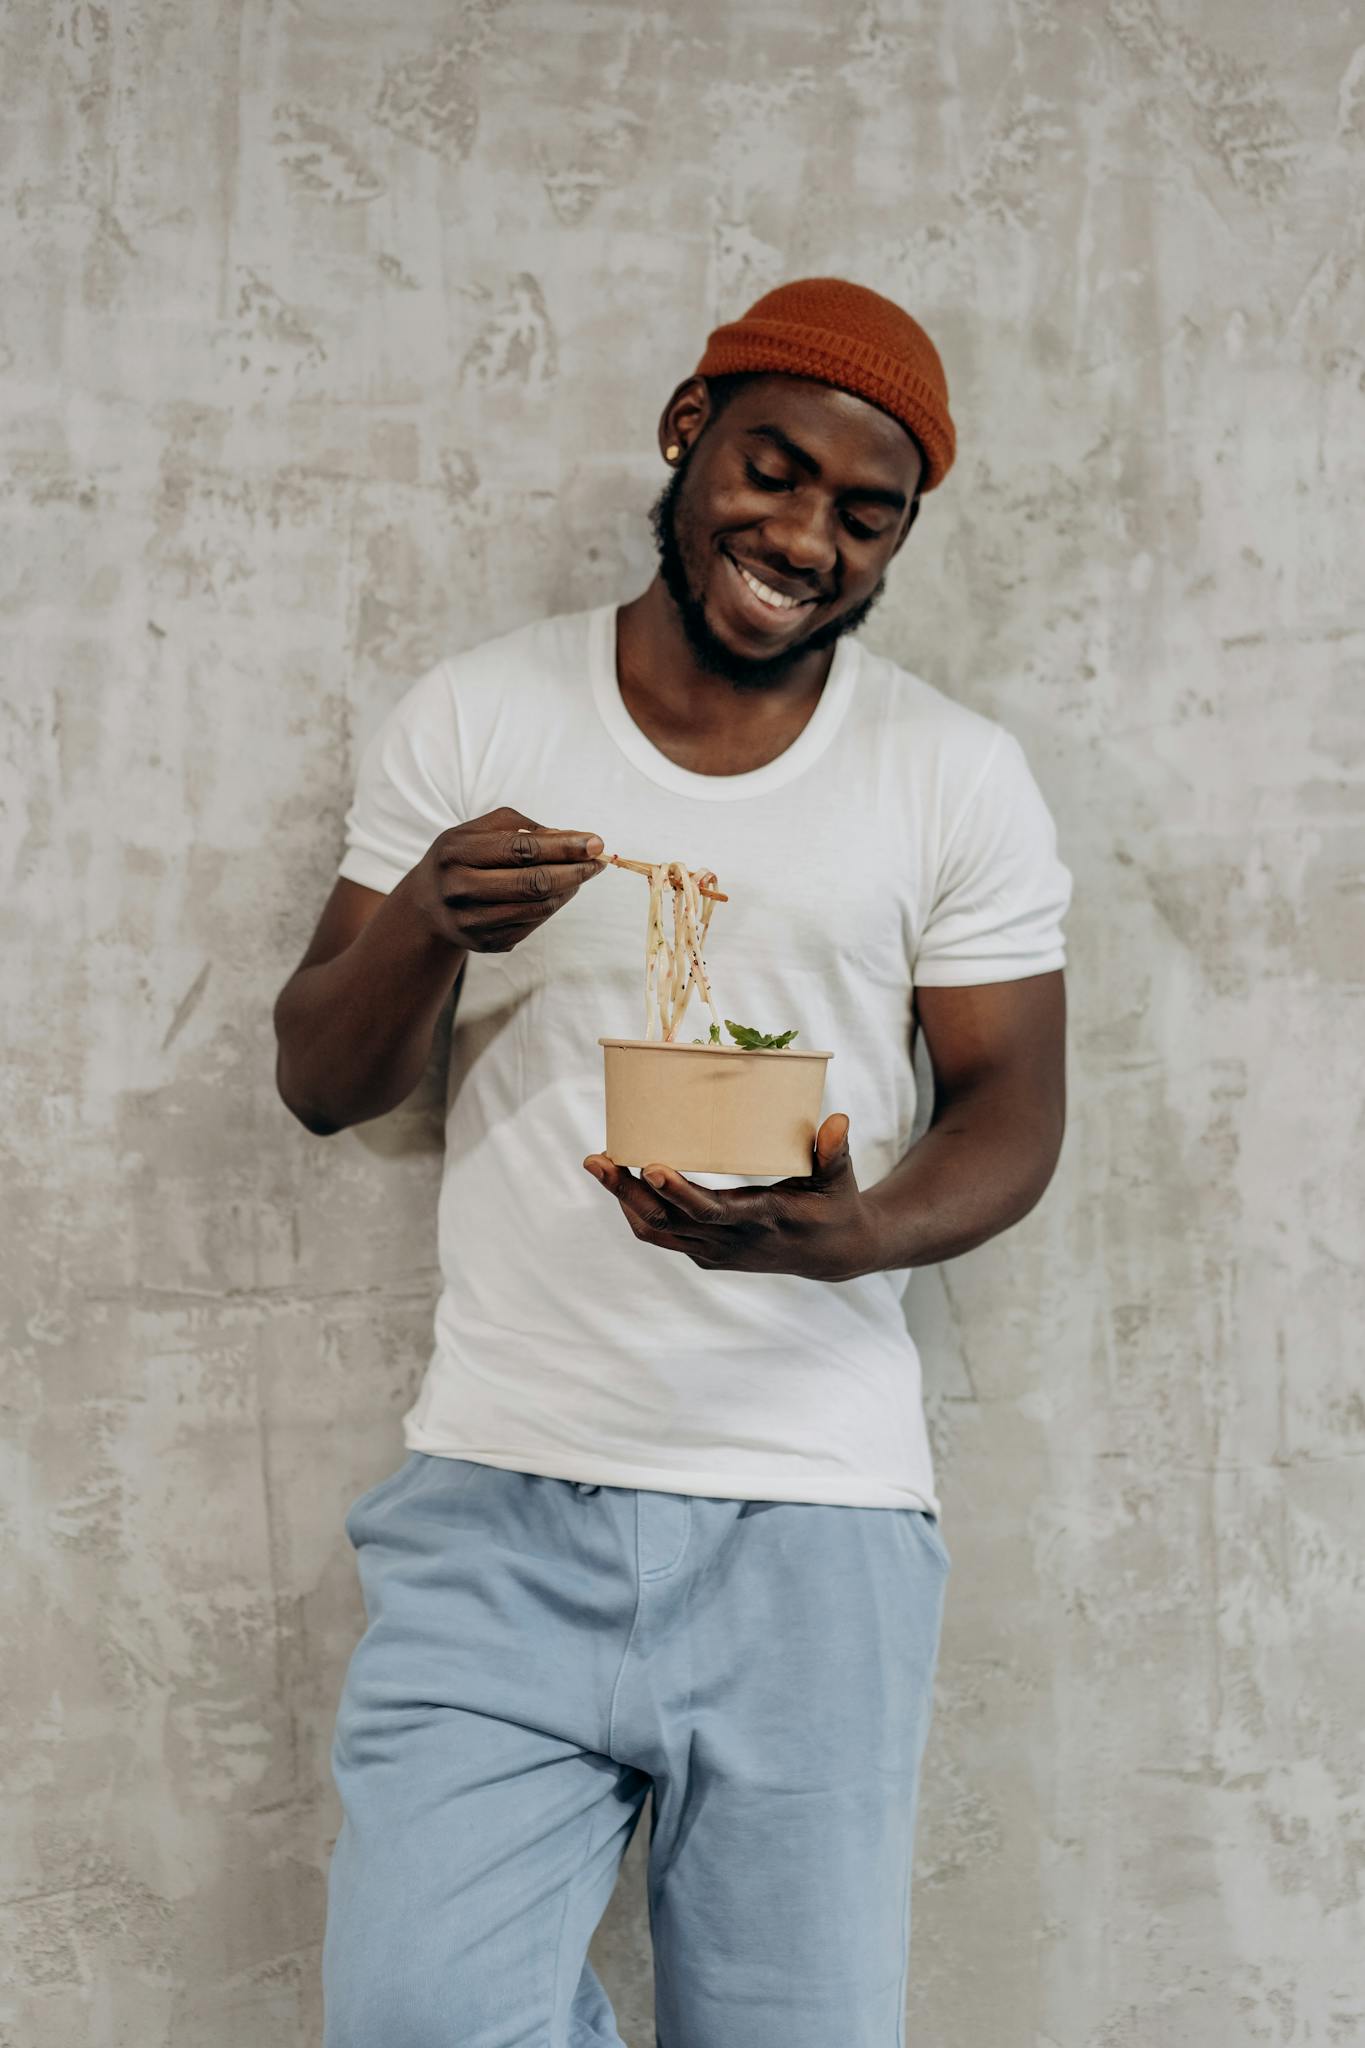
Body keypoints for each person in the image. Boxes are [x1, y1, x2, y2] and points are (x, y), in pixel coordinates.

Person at [273, 276, 1071, 2048]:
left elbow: (1012, 1108)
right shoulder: (480, 717)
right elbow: (321, 1081)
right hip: (500, 1497)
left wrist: (852, 1233)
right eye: (772, 471)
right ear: (686, 432)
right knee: (420, 2020)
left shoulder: (952, 776)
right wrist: (426, 918)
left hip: (814, 1522)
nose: (802, 539)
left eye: (864, 516)